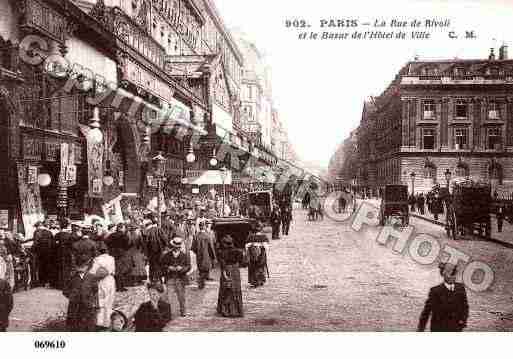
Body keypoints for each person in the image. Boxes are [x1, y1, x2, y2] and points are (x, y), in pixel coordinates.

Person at [417, 262, 469, 332]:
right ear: (443, 274)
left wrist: (463, 320)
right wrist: (420, 329)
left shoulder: (460, 288)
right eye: (449, 273)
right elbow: (426, 312)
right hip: (439, 328)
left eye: (454, 273)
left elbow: (465, 306)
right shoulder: (435, 291)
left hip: (456, 328)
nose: (452, 276)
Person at [63, 257, 105, 332]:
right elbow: (65, 291)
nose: (81, 268)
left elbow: (96, 292)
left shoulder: (92, 277)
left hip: (88, 306)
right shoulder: (72, 278)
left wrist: (96, 305)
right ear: (76, 267)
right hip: (75, 307)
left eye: (83, 266)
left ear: (87, 267)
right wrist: (72, 296)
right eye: (79, 266)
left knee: (88, 326)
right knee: (75, 326)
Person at [161, 237, 191, 317]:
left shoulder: (184, 256)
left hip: (180, 279)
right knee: (169, 297)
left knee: (181, 297)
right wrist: (168, 268)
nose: (176, 249)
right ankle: (168, 313)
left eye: (178, 247)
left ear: (180, 247)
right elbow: (162, 266)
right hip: (170, 279)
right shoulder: (167, 255)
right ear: (172, 246)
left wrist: (182, 269)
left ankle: (183, 311)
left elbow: (188, 266)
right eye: (175, 247)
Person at [89, 242, 116, 331]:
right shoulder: (112, 258)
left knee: (100, 300)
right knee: (109, 300)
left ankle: (99, 322)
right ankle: (107, 321)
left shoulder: (97, 259)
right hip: (111, 280)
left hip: (101, 281)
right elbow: (113, 270)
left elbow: (93, 272)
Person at [217, 235, 244, 318]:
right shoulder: (238, 251)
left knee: (226, 289)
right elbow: (242, 262)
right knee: (236, 289)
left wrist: (224, 274)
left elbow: (222, 265)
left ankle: (227, 310)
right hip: (236, 271)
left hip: (227, 270)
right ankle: (237, 310)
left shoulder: (222, 253)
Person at [191, 221, 216, 289]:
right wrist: (213, 257)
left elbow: (193, 247)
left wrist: (197, 252)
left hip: (199, 256)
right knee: (205, 268)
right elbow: (210, 247)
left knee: (201, 269)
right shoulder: (208, 236)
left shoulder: (196, 236)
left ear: (199, 227)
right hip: (206, 255)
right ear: (204, 227)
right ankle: (201, 282)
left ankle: (202, 282)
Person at [33, 220, 56, 287]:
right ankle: (47, 281)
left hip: (40, 253)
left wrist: (33, 250)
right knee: (47, 266)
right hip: (49, 252)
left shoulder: (37, 232)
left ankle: (41, 281)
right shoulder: (49, 232)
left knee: (41, 266)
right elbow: (52, 243)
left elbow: (36, 243)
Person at [246, 223, 269, 287]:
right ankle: (261, 280)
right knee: (261, 267)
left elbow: (246, 247)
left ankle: (254, 281)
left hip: (252, 256)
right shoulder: (263, 237)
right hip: (261, 255)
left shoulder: (250, 237)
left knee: (253, 268)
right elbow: (266, 247)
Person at [144, 218, 167, 282]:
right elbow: (164, 239)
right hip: (159, 250)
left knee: (152, 265)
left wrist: (146, 253)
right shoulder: (159, 229)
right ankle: (160, 279)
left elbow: (146, 242)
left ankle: (152, 279)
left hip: (151, 251)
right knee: (160, 264)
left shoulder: (148, 231)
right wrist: (165, 246)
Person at [55, 219, 74, 290]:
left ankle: (60, 284)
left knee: (60, 269)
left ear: (60, 226)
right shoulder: (70, 235)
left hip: (59, 254)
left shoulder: (57, 235)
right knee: (67, 269)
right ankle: (67, 285)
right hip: (67, 255)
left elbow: (54, 245)